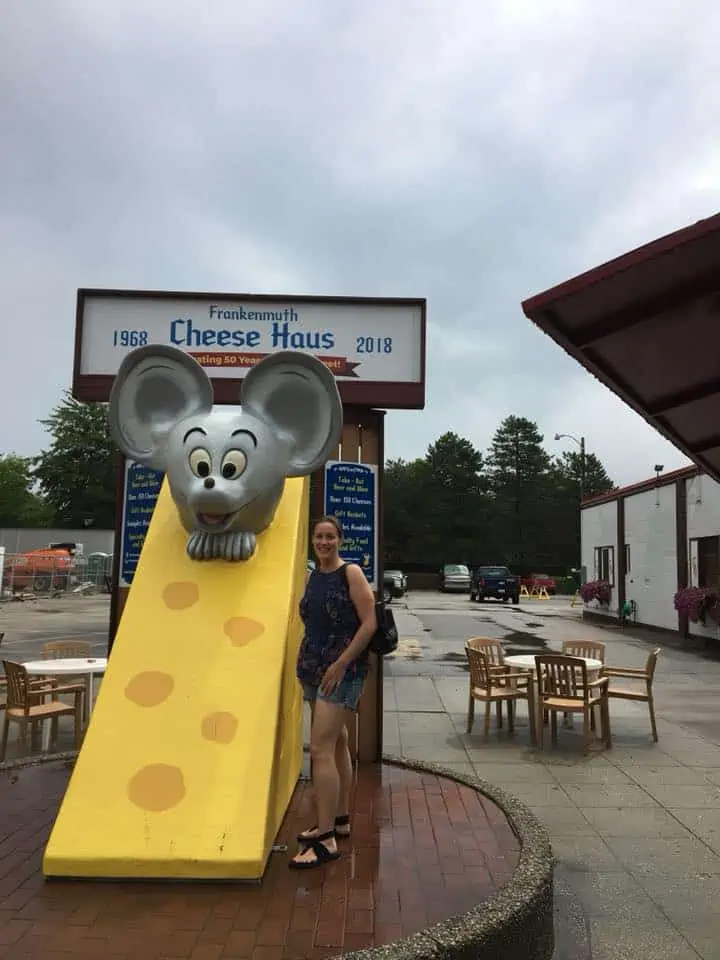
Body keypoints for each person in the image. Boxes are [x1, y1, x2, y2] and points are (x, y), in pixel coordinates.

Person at [288, 515, 377, 869]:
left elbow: (369, 623)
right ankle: (338, 819)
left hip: (342, 671)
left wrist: (341, 664)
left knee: (320, 749)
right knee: (337, 741)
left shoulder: (350, 573)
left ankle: (325, 839)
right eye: (318, 537)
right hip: (312, 668)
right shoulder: (313, 577)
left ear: (340, 540)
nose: (324, 542)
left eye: (330, 537)